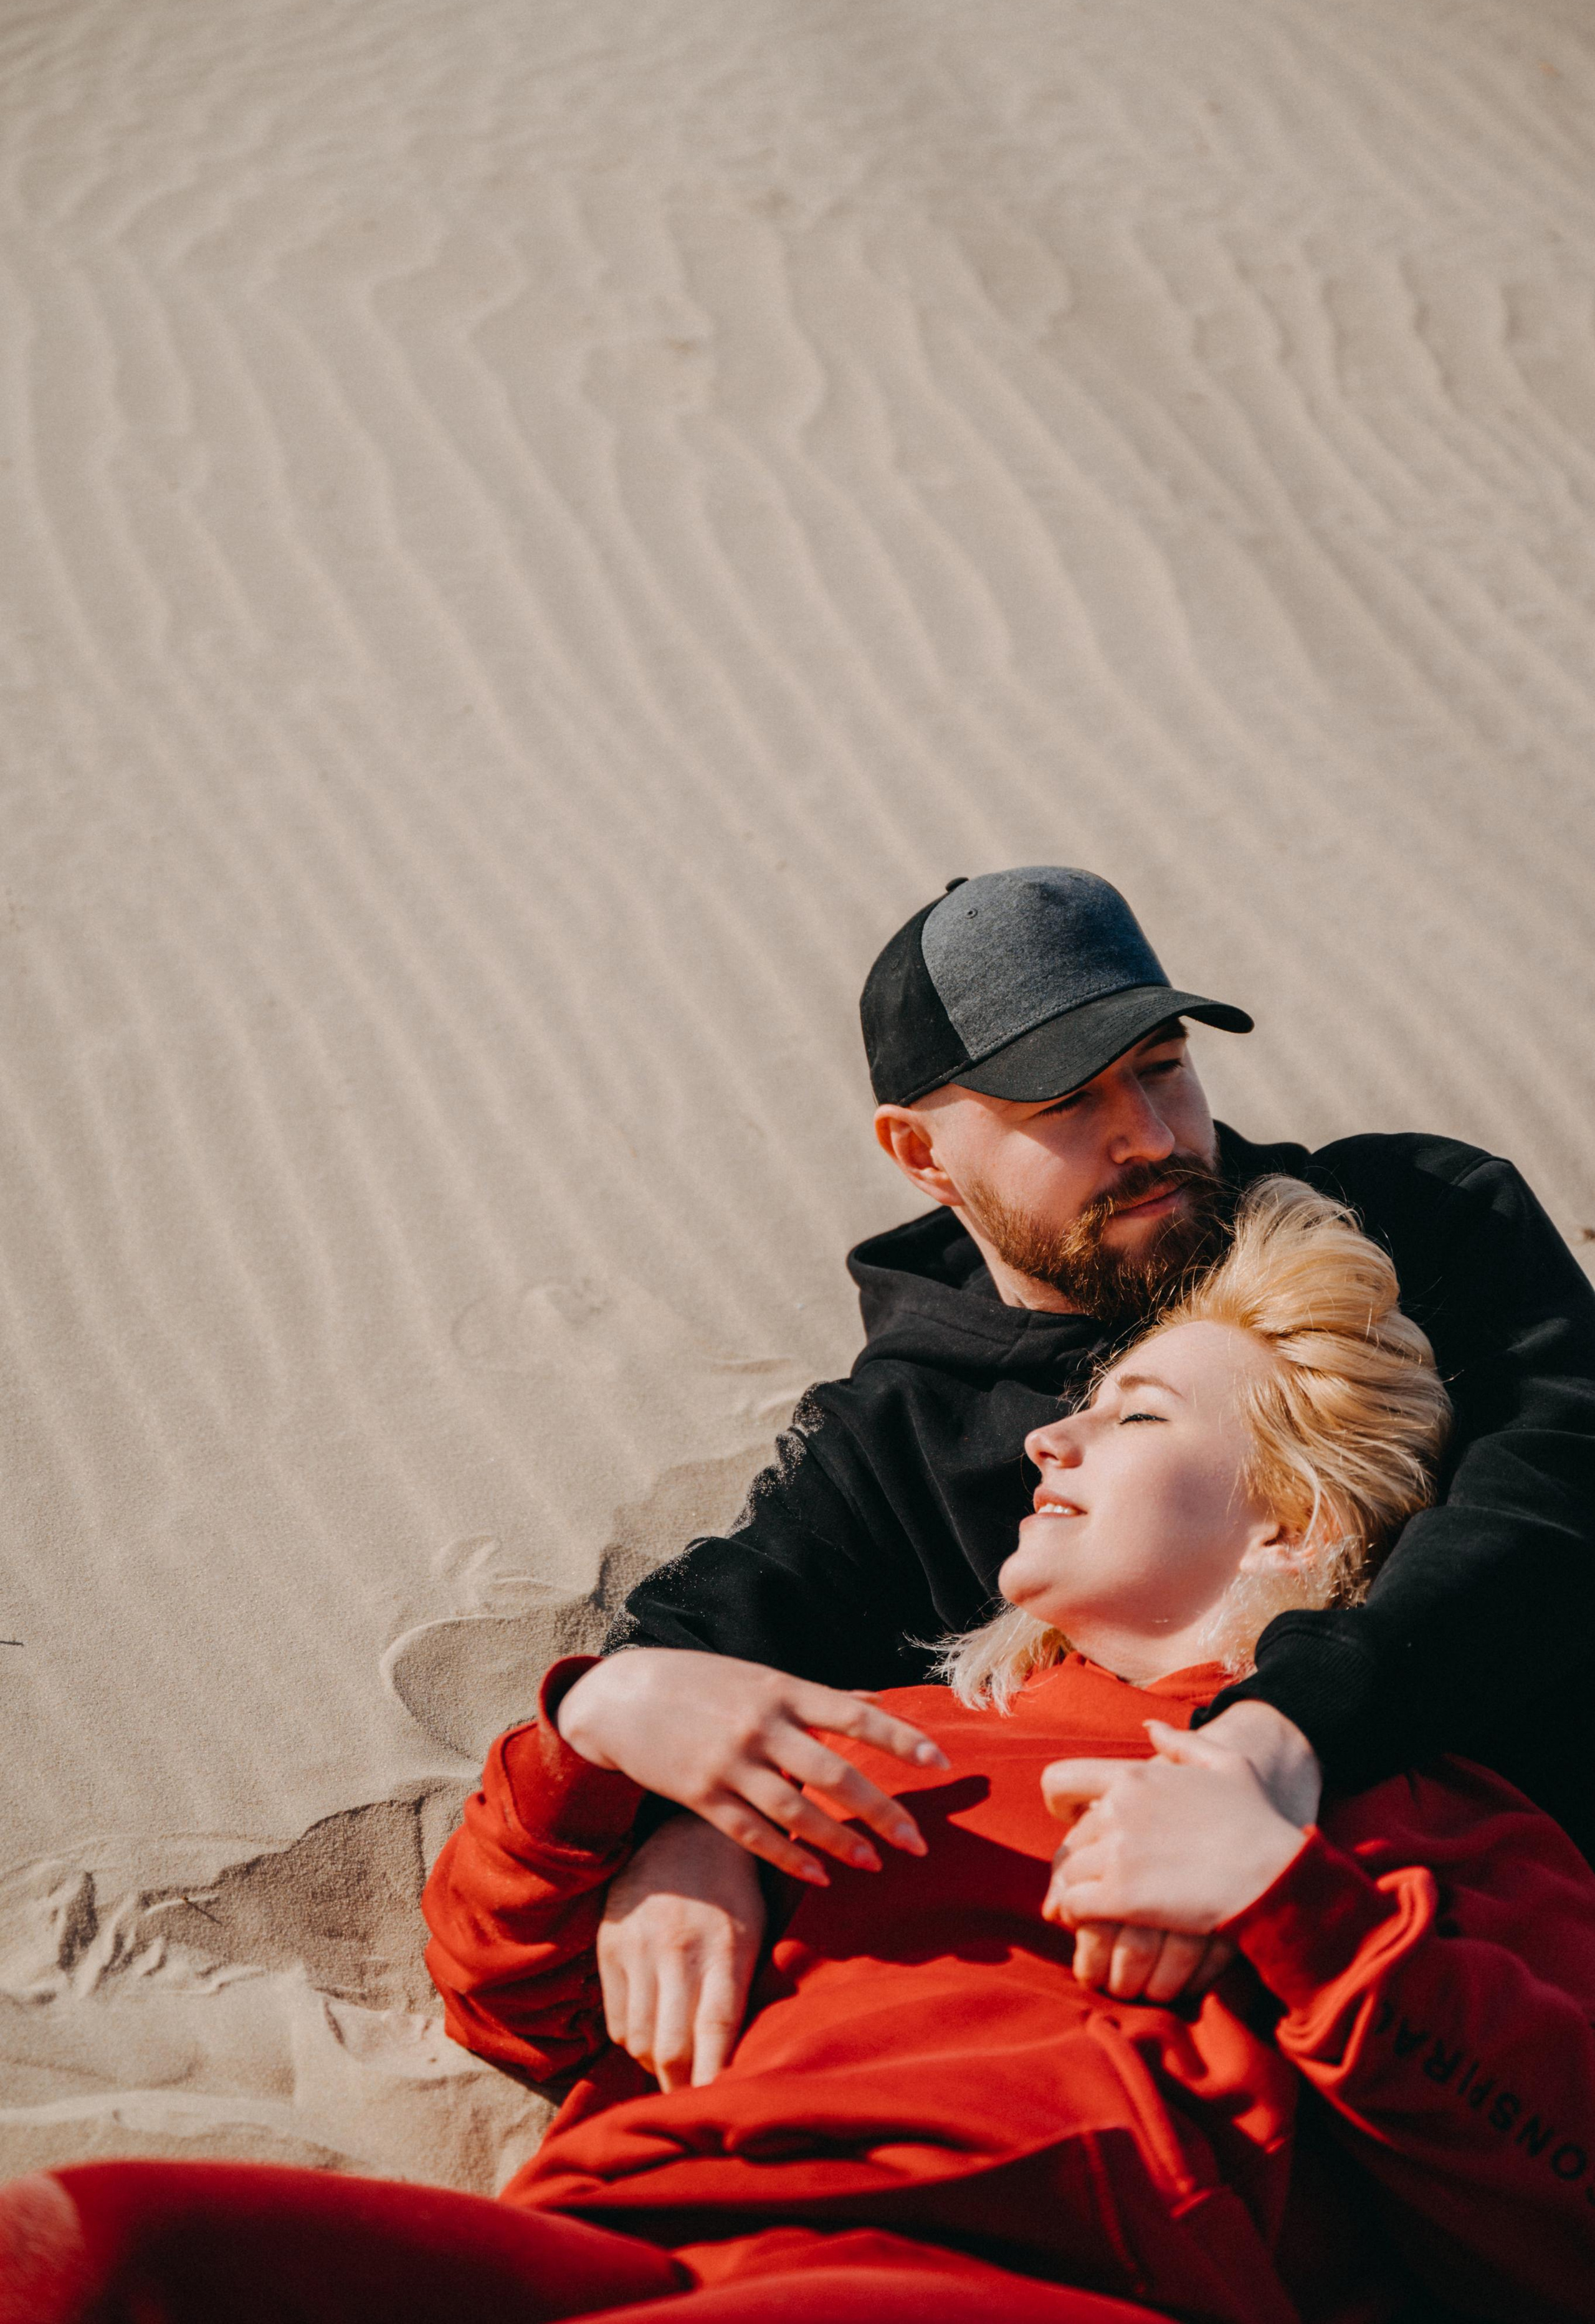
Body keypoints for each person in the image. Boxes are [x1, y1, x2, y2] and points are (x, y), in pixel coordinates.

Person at [15, 1182, 1595, 2324]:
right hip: (628, 2231)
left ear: (1289, 1518)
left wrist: (1296, 1910)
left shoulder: (1410, 1814)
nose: (1045, 1440)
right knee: (90, 2253)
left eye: (1131, 1419)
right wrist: (596, 1741)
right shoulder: (879, 1734)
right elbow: (507, 1999)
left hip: (1001, 2271)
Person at [592, 865, 1595, 2090]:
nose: (1154, 1136)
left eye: (1161, 1065)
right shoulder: (900, 1432)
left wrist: (1281, 1735)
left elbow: (1552, 1499)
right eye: (1067, 1102)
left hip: (1534, 1941)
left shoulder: (1416, 1218)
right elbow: (705, 1638)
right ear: (919, 1153)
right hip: (1262, 2072)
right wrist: (681, 1822)